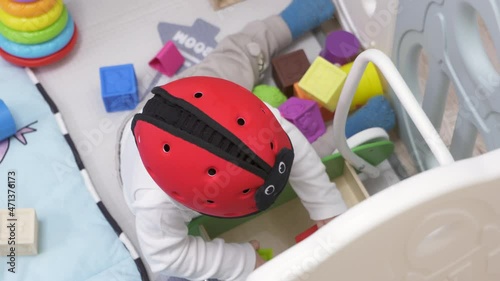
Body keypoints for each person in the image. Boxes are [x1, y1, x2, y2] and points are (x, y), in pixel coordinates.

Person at [119, 1, 347, 280]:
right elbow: (167, 258)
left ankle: (281, 26)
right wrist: (243, 262)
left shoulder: (257, 117)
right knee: (314, 152)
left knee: (236, 58)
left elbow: (291, 145)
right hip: (147, 137)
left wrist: (326, 206)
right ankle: (349, 131)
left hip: (200, 95)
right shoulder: (155, 206)